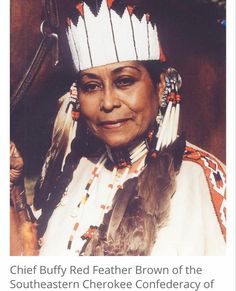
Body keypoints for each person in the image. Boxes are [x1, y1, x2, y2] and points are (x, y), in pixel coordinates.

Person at [11, 0, 226, 256]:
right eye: (91, 86)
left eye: (124, 81)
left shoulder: (196, 180)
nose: (108, 102)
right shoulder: (74, 169)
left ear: (160, 87)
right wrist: (11, 186)